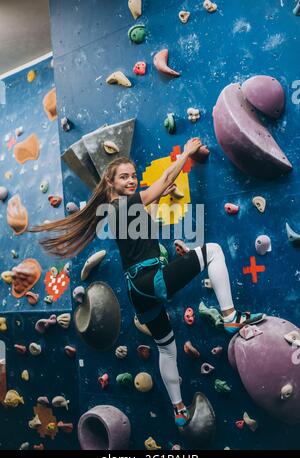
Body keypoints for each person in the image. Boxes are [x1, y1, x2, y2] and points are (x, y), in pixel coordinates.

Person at [29, 137, 264, 427]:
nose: (131, 180)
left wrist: (165, 197)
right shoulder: (122, 205)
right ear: (111, 183)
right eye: (124, 177)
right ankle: (230, 317)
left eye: (133, 175)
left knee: (167, 348)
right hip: (151, 279)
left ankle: (178, 410)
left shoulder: (118, 211)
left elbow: (150, 214)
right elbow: (162, 181)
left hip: (139, 292)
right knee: (213, 251)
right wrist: (187, 153)